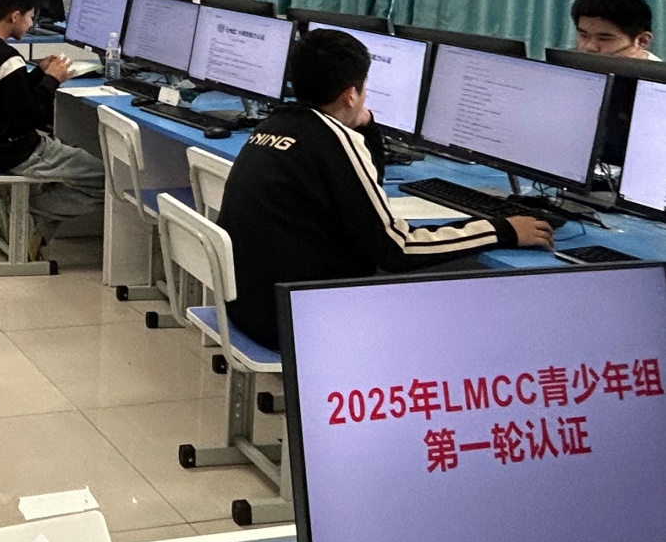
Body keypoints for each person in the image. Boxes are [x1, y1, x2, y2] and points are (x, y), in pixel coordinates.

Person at [220, 28, 554, 350]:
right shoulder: (333, 141)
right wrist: (502, 230)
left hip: (248, 308)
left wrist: (365, 128)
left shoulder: (274, 125)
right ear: (351, 94)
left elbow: (364, 187)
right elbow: (398, 250)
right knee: (454, 317)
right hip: (298, 322)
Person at [0, 0, 105, 238]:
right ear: (15, 16)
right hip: (13, 150)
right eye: (30, 17)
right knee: (104, 178)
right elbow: (28, 117)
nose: (32, 24)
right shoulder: (7, 58)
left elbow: (8, 94)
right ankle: (28, 211)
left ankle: (32, 226)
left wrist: (40, 73)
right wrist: (52, 80)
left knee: (73, 152)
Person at [571, 0, 658, 59]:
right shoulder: (568, 65)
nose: (589, 47)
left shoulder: (656, 74)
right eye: (584, 36)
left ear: (642, 41)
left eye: (604, 39)